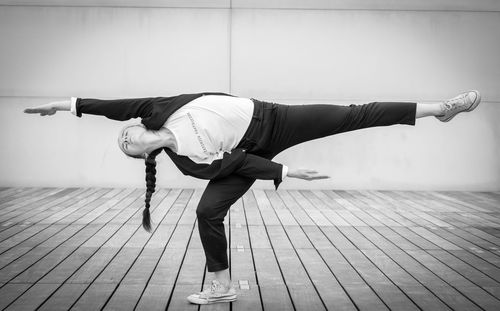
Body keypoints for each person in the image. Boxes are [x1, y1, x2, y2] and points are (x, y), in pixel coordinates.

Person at [24, 90, 481, 305]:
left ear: (135, 128)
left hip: (274, 117)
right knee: (206, 210)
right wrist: (283, 170)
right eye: (127, 150)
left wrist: (64, 106)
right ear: (141, 153)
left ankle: (440, 110)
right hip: (256, 150)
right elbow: (240, 165)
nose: (129, 140)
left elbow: (108, 106)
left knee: (352, 114)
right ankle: (220, 285)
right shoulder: (190, 162)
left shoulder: (154, 109)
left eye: (126, 136)